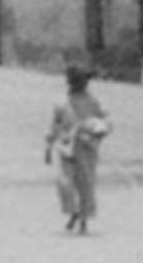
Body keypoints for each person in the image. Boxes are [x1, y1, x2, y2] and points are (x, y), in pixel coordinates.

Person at [44, 64, 111, 233]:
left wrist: (101, 130)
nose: (79, 85)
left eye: (82, 82)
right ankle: (73, 209)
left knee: (86, 183)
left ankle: (84, 219)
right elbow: (55, 125)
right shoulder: (61, 103)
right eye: (76, 82)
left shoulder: (92, 102)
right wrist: (49, 145)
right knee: (64, 181)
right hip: (67, 147)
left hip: (87, 147)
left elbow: (104, 120)